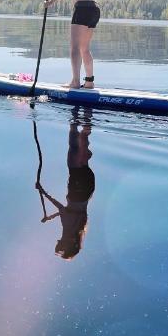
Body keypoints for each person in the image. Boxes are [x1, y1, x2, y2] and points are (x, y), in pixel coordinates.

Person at [36, 110, 96, 260]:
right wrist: (42, 191)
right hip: (77, 188)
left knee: (81, 149)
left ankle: (87, 116)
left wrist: (51, 217)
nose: (59, 240)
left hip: (87, 188)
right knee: (74, 146)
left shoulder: (79, 230)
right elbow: (62, 209)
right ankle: (74, 116)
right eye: (61, 243)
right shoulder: (70, 231)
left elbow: (66, 212)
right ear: (67, 243)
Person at [45, 0, 100, 89]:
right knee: (85, 48)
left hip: (82, 8)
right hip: (94, 9)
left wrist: (50, 2)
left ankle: (75, 82)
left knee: (75, 47)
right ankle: (89, 82)